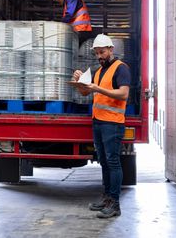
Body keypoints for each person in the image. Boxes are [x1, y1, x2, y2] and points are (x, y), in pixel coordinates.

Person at [72, 34, 131, 219]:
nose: (99, 56)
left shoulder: (121, 69)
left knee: (113, 162)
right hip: (98, 121)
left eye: (102, 52)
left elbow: (123, 94)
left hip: (112, 123)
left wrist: (97, 88)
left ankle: (115, 204)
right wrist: (79, 81)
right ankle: (107, 199)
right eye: (97, 53)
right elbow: (85, 92)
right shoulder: (98, 72)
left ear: (111, 49)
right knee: (104, 162)